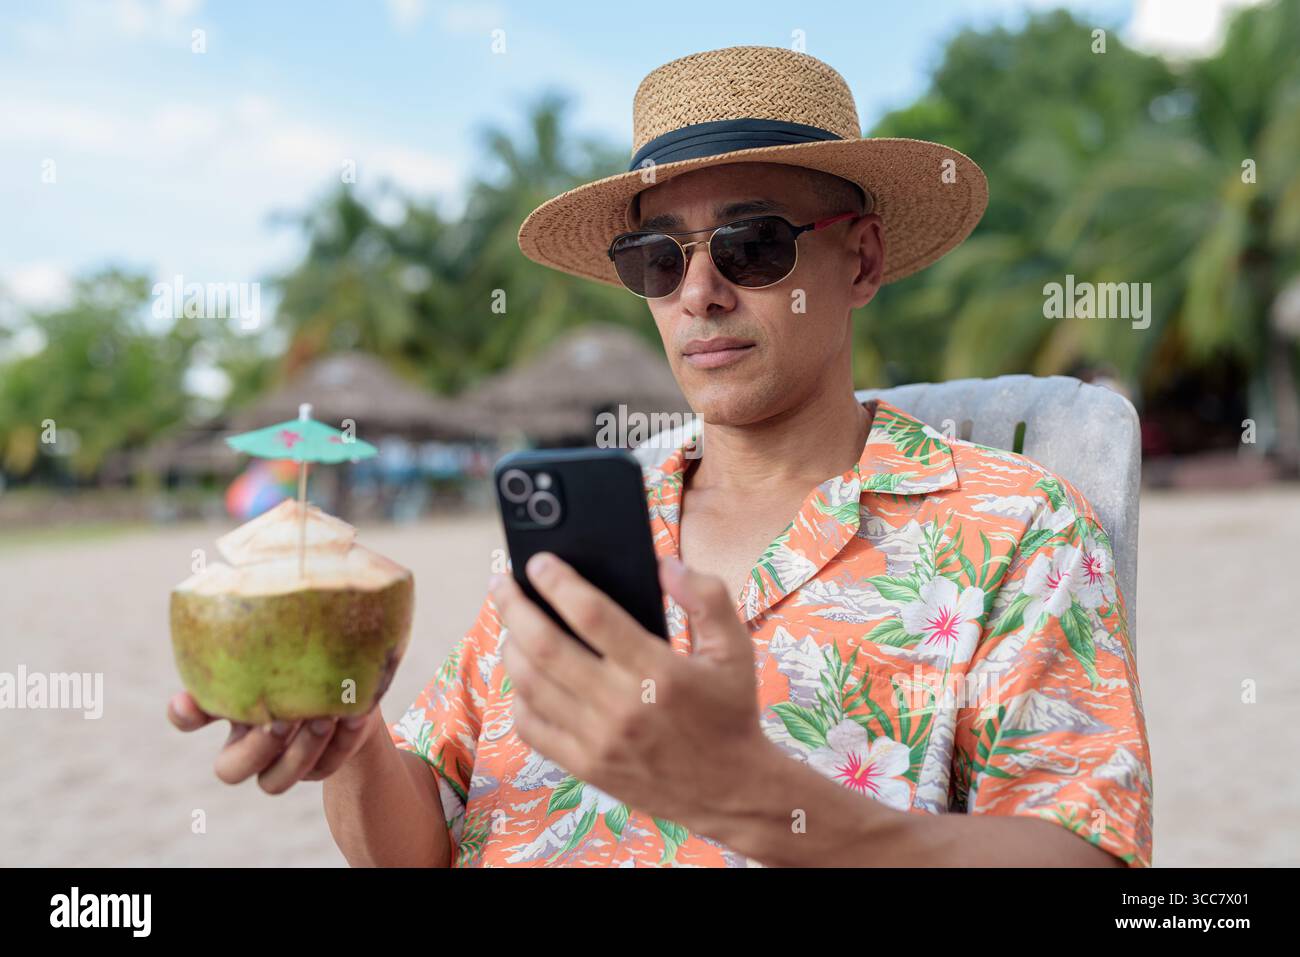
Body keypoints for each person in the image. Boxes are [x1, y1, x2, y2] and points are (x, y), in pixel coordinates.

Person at [168, 45, 1152, 868]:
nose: (699, 292)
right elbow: (418, 833)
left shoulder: (1011, 523)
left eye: (752, 245)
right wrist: (352, 745)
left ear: (859, 260)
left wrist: (759, 802)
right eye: (658, 258)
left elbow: (1078, 849)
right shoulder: (579, 523)